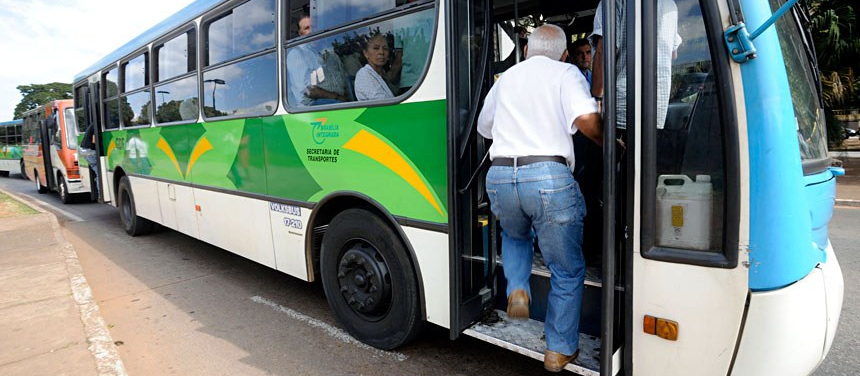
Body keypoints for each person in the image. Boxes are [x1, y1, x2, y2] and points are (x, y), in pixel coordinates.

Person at [477, 24, 602, 373]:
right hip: (547, 176)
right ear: (563, 53)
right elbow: (586, 120)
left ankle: (518, 289)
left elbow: (484, 129)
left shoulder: (506, 79)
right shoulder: (566, 73)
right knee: (566, 268)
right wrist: (612, 144)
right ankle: (558, 350)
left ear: (528, 50)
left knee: (514, 234)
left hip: (500, 176)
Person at [590, 0, 681, 129]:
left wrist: (596, 100)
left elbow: (603, 52)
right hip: (658, 108)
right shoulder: (670, 5)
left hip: (621, 110)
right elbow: (673, 54)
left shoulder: (613, 2)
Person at [287, 14, 350, 106]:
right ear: (301, 34)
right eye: (307, 28)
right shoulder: (297, 54)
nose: (312, 31)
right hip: (314, 106)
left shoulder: (331, 53)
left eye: (314, 27)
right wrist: (338, 97)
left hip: (340, 101)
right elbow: (309, 90)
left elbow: (345, 79)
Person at [354, 33, 395, 101]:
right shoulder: (363, 74)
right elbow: (383, 103)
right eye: (376, 48)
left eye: (385, 48)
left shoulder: (381, 74)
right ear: (366, 53)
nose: (381, 52)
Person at [79, 122, 99, 196]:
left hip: (84, 150)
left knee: (97, 169)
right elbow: (94, 141)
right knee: (100, 172)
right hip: (88, 151)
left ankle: (97, 180)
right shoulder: (96, 125)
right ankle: (100, 193)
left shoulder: (92, 124)